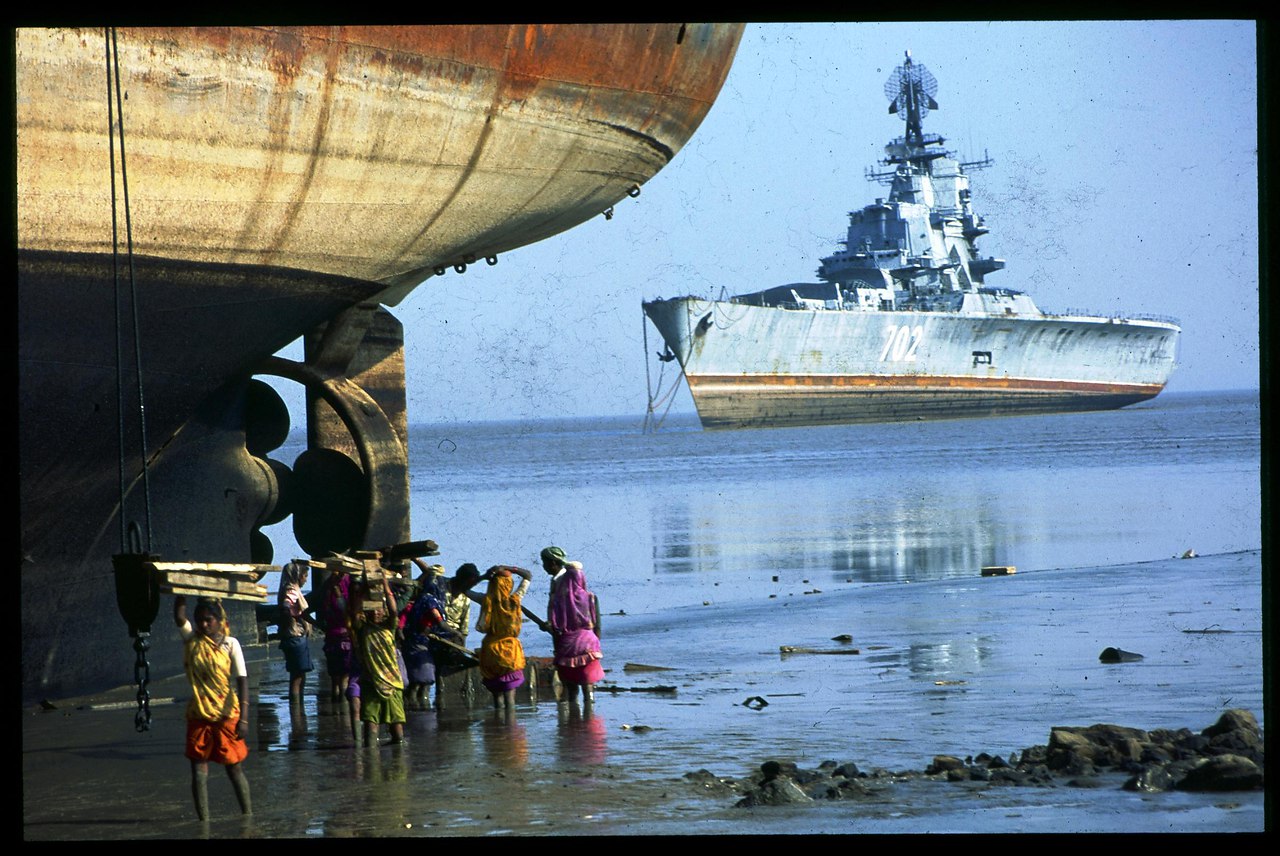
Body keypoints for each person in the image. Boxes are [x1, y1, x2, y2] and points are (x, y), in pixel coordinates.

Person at [173, 595, 252, 820]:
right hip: (199, 713)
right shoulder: (192, 640)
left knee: (234, 768)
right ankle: (204, 822)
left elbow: (242, 680)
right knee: (198, 772)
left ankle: (248, 816)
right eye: (199, 620)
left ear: (220, 619)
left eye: (208, 620)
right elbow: (180, 616)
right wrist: (181, 589)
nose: (203, 624)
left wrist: (244, 718)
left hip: (227, 714)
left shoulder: (231, 644)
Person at [351, 573, 406, 744]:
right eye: (372, 610)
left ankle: (398, 761)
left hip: (392, 682)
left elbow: (395, 611)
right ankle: (370, 763)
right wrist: (363, 590)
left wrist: (385, 585)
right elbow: (355, 612)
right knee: (370, 723)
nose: (376, 613)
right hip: (371, 681)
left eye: (379, 610)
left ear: (384, 612)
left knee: (397, 726)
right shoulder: (363, 629)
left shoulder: (389, 628)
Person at [546, 556, 604, 710]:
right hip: (588, 645)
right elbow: (597, 626)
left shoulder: (558, 599)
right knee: (588, 686)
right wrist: (595, 645)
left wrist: (557, 648)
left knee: (571, 689)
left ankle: (573, 724)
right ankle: (589, 720)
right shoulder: (591, 598)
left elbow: (555, 626)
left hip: (567, 645)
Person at [475, 565, 532, 714]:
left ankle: (498, 729)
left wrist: (483, 577)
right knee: (510, 698)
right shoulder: (515, 599)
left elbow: (464, 589)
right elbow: (528, 576)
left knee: (497, 698)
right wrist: (509, 568)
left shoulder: (485, 600)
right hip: (509, 652)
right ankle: (510, 731)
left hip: (490, 650)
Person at [401, 572, 446, 709]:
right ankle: (422, 711)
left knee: (418, 682)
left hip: (414, 642)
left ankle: (415, 709)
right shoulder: (429, 600)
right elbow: (439, 621)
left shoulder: (419, 600)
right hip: (418, 643)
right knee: (423, 680)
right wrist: (454, 632)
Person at [277, 560, 313, 703]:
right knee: (297, 677)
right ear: (298, 576)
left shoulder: (289, 589)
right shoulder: (292, 590)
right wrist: (291, 617)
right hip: (295, 637)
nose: (306, 579)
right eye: (305, 576)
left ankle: (298, 705)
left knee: (299, 674)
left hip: (293, 637)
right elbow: (287, 605)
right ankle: (296, 709)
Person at [318, 570, 355, 703]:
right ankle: (344, 715)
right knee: (344, 678)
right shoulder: (345, 587)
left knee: (335, 679)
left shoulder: (327, 592)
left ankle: (336, 709)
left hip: (331, 638)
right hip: (344, 638)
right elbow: (344, 610)